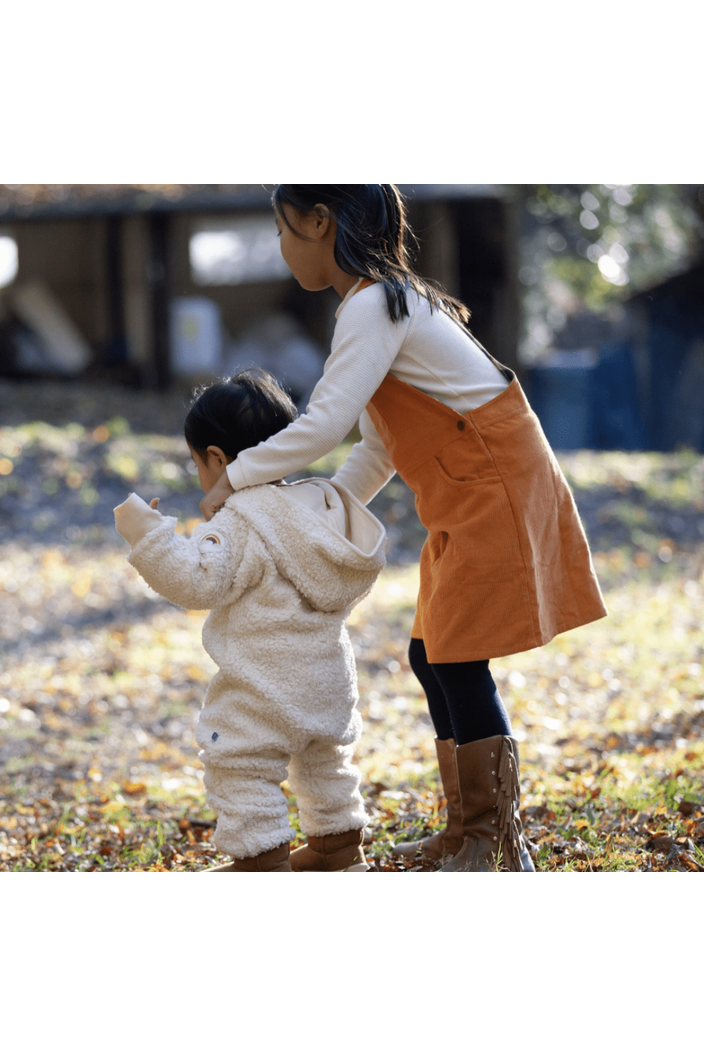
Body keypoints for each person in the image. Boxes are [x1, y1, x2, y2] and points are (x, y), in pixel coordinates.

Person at [198, 185, 608, 873]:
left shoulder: (372, 306)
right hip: (468, 490)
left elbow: (323, 424)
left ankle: (494, 840)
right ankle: (468, 828)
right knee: (432, 653)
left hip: (492, 482)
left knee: (455, 657)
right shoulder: (380, 304)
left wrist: (234, 478)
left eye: (282, 228)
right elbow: (379, 445)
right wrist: (325, 506)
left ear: (320, 222)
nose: (280, 244)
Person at [114, 369, 386, 872]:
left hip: (263, 687)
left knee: (239, 766)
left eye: (198, 463)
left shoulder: (241, 520)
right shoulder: (316, 506)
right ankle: (339, 847)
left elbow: (197, 581)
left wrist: (147, 535)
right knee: (324, 762)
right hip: (327, 683)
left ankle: (262, 859)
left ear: (217, 458)